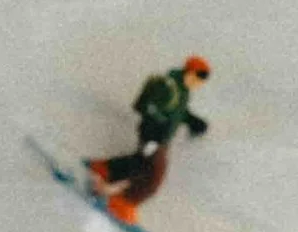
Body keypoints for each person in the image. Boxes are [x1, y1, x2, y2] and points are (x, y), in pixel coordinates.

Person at [88, 57, 210, 220]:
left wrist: (194, 122)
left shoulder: (183, 91)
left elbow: (178, 112)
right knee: (153, 177)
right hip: (153, 137)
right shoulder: (169, 87)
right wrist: (154, 135)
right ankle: (122, 202)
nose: (199, 84)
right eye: (199, 79)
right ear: (190, 73)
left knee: (140, 163)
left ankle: (104, 169)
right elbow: (150, 108)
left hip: (160, 140)